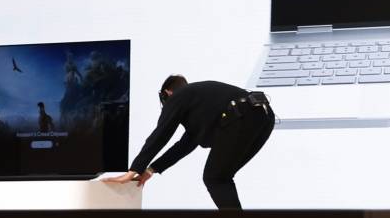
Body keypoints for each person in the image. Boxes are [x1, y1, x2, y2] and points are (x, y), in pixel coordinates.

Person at [105, 76, 275, 209]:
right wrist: (151, 169)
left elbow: (161, 133)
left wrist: (134, 169)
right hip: (264, 116)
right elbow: (184, 145)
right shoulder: (199, 103)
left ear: (167, 93)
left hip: (241, 114)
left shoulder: (178, 96)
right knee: (220, 178)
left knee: (215, 178)